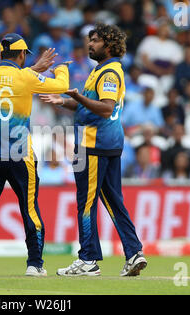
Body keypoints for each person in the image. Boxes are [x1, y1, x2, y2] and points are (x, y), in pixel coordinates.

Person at [40, 23, 146, 277]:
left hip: (93, 145)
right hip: (106, 144)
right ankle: (134, 253)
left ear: (108, 45)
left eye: (96, 40)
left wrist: (76, 97)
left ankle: (88, 260)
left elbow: (106, 107)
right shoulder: (101, 71)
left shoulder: (108, 73)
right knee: (113, 201)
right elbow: (90, 106)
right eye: (90, 40)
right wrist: (64, 101)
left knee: (85, 204)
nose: (90, 44)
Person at [0, 33, 70, 277]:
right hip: (20, 155)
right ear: (21, 55)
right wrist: (59, 69)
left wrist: (35, 68)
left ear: (0, 54)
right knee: (30, 209)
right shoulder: (27, 77)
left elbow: (15, 76)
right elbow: (60, 87)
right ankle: (34, 264)